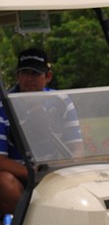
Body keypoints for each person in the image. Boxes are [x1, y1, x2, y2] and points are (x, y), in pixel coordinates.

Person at [0, 48, 82, 215]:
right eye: (24, 73)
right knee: (4, 183)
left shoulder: (62, 102)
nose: (29, 79)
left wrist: (56, 172)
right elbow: (0, 160)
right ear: (17, 76)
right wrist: (34, 174)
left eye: (35, 74)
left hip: (53, 173)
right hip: (20, 175)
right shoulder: (4, 105)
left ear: (48, 77)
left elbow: (77, 149)